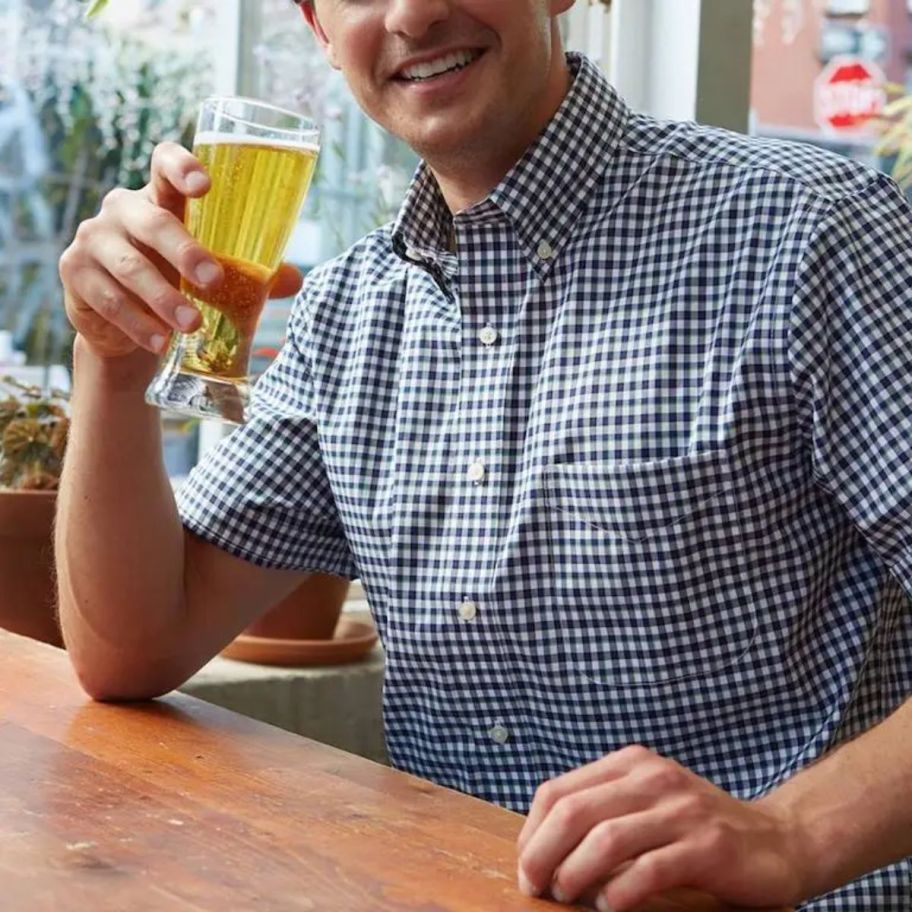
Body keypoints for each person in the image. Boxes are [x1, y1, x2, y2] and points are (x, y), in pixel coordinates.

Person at [56, 1, 912, 909]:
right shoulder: (352, 312)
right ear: (317, 24)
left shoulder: (813, 230)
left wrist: (789, 834)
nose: (415, 12)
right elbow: (134, 649)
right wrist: (110, 360)